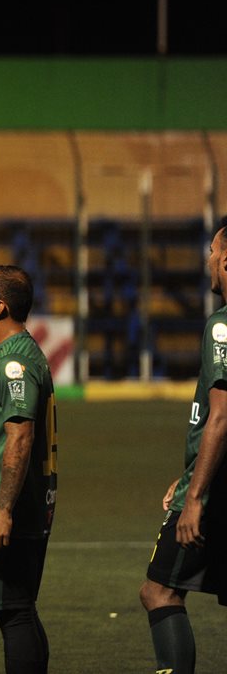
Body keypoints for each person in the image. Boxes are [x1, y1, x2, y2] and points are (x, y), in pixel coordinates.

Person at [140, 217, 227, 674]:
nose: (208, 261)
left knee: (159, 592)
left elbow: (223, 415)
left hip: (214, 498)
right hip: (214, 475)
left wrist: (195, 495)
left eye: (212, 253)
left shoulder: (222, 328)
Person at [0, 265, 57, 674]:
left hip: (12, 509)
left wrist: (2, 509)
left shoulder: (13, 363)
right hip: (17, 504)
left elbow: (20, 437)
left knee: (14, 611)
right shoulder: (12, 355)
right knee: (16, 610)